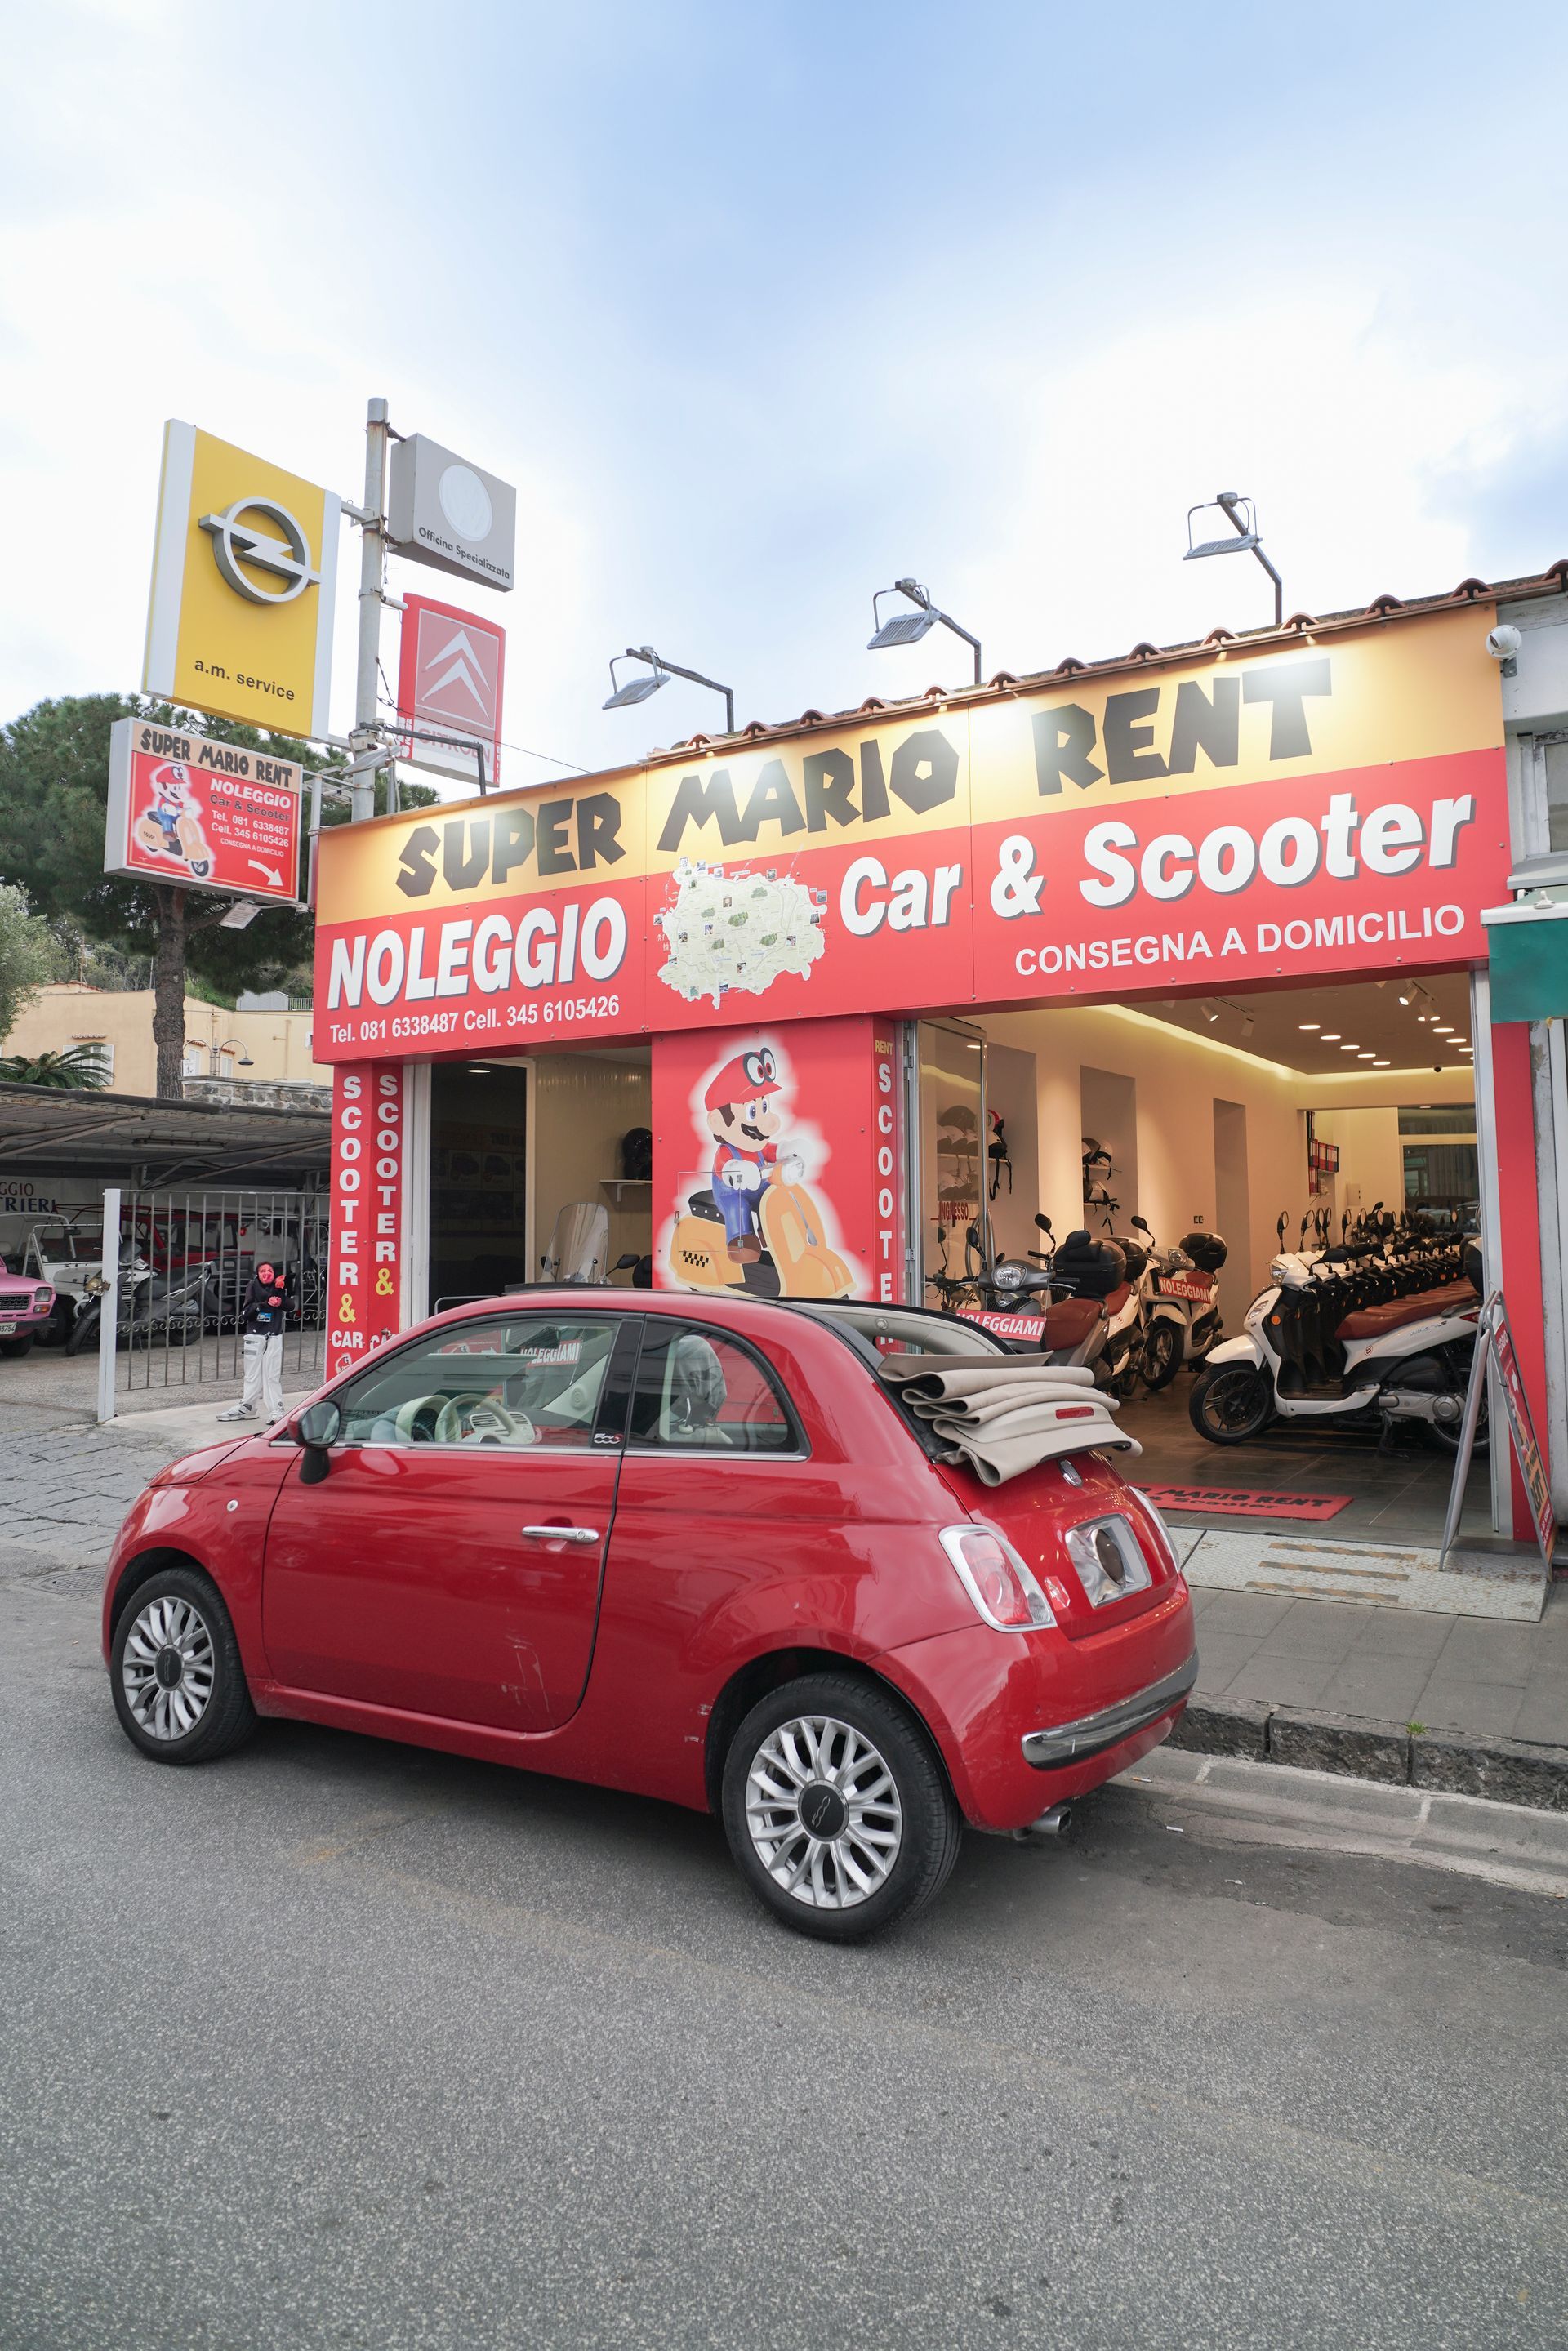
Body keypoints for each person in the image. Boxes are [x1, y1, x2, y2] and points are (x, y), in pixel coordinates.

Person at [216, 1259, 292, 1423]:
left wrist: (280, 1298)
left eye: (270, 1272)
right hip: (255, 1337)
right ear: (258, 1275)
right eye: (263, 1271)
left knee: (272, 1375)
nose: (267, 1274)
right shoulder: (252, 1287)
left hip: (274, 1336)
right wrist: (265, 1304)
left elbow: (290, 1306)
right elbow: (246, 1313)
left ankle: (277, 1410)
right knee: (252, 1375)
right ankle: (248, 1407)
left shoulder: (279, 1288)